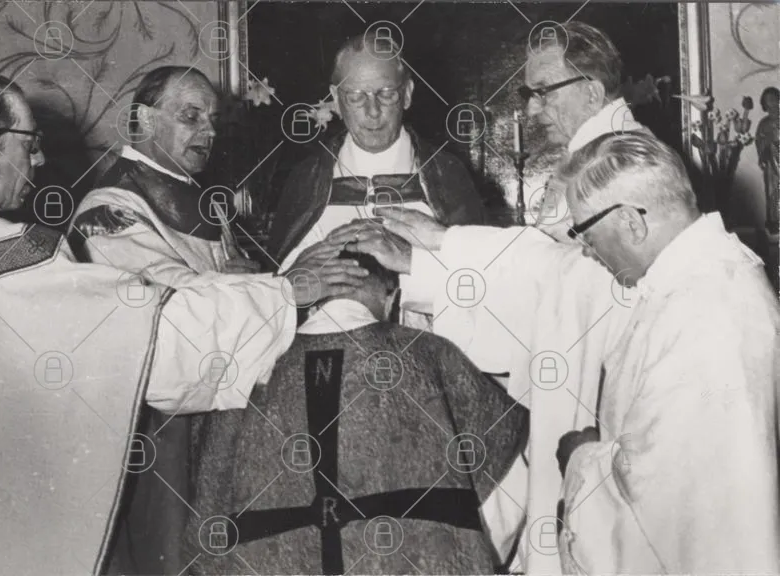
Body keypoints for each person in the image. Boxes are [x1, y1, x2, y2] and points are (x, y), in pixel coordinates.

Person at [0, 68, 297, 576]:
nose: (40, 159)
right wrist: (288, 294)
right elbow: (154, 343)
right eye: (30, 143)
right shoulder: (10, 254)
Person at [336, 132, 780, 573]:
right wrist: (442, 245)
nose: (584, 250)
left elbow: (674, 506)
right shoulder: (692, 278)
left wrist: (581, 458)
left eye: (585, 233)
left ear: (631, 223)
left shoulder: (710, 312)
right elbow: (551, 270)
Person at [68, 65, 367, 575]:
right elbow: (166, 309)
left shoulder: (201, 198)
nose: (208, 131)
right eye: (191, 116)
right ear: (144, 120)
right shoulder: (110, 210)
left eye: (212, 119)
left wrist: (255, 279)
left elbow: (215, 284)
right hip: (159, 429)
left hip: (219, 409)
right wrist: (286, 290)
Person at [185, 250, 528, 575]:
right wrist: (469, 556)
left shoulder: (249, 367)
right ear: (392, 298)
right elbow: (507, 485)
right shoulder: (430, 354)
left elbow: (208, 499)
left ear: (314, 298)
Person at [265, 29, 485, 329]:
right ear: (336, 99)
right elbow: (278, 294)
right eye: (356, 96)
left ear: (407, 94)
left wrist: (411, 261)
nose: (372, 111)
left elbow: (481, 289)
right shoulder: (307, 178)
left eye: (386, 94)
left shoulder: (446, 176)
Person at [520, 21, 650, 241]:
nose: (531, 109)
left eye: (543, 92)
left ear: (592, 94)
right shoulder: (600, 149)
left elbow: (572, 256)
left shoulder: (619, 163)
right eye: (529, 94)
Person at [755, 86, 778, 234]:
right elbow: (759, 141)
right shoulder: (764, 123)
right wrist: (763, 155)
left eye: (774, 99)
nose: (772, 103)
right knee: (772, 191)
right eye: (769, 100)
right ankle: (774, 221)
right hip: (771, 163)